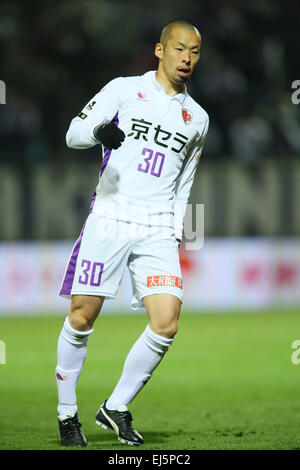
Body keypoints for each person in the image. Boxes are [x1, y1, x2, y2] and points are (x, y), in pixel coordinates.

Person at [56, 19, 209, 447]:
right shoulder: (124, 89)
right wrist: (98, 133)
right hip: (111, 216)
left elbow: (185, 184)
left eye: (195, 52)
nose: (187, 58)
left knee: (167, 322)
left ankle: (116, 406)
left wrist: (179, 233)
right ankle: (67, 415)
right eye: (179, 49)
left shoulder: (198, 118)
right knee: (82, 316)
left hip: (158, 227)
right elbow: (73, 134)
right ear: (160, 50)